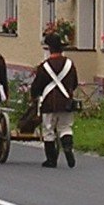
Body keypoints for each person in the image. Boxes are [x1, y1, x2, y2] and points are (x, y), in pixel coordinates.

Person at [28, 30, 82, 167]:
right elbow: (74, 83)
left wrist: (34, 96)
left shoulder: (44, 66)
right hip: (66, 103)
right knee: (66, 128)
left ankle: (51, 160)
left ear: (49, 49)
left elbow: (37, 86)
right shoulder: (70, 64)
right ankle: (68, 148)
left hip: (49, 103)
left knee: (49, 131)